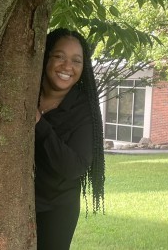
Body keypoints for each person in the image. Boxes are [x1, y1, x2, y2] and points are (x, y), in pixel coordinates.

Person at [35, 28, 105, 249]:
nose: (67, 67)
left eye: (76, 61)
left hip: (56, 208)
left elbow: (74, 167)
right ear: (45, 57)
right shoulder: (23, 92)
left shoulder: (84, 110)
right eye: (59, 56)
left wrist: (39, 124)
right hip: (11, 202)